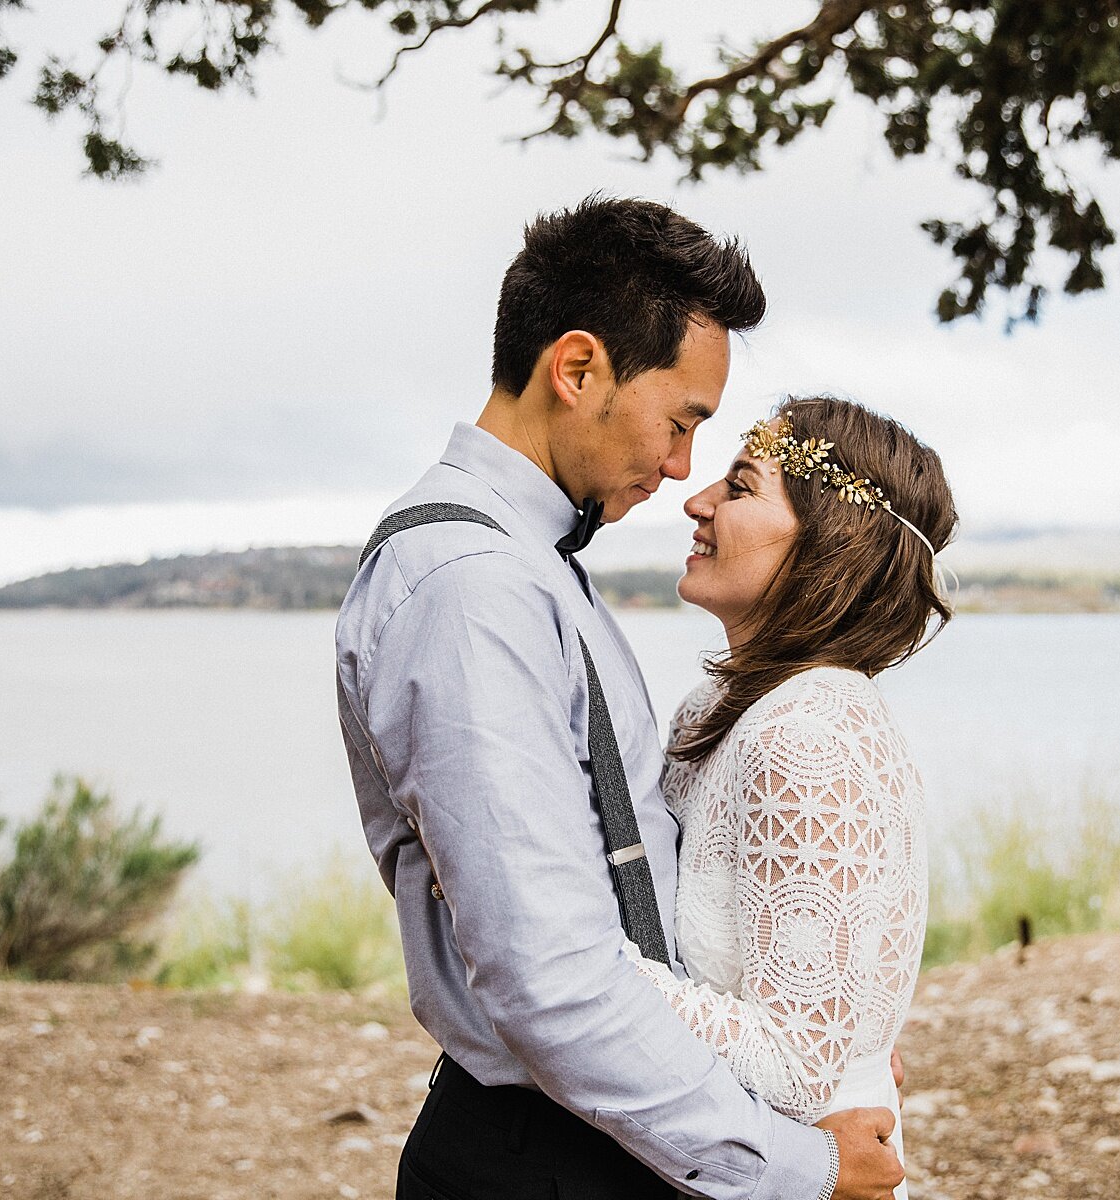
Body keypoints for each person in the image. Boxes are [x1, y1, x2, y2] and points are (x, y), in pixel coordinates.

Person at [335, 196, 905, 1200]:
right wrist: (799, 1167)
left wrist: (820, 1061)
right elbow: (549, 977)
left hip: (607, 1133)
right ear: (578, 369)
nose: (682, 467)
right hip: (543, 1157)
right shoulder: (474, 588)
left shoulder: (531, 569)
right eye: (681, 421)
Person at [624, 396, 956, 1200]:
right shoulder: (720, 712)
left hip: (805, 1167)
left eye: (739, 488)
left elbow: (798, 1065)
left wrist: (579, 965)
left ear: (829, 541)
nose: (695, 501)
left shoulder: (810, 738)